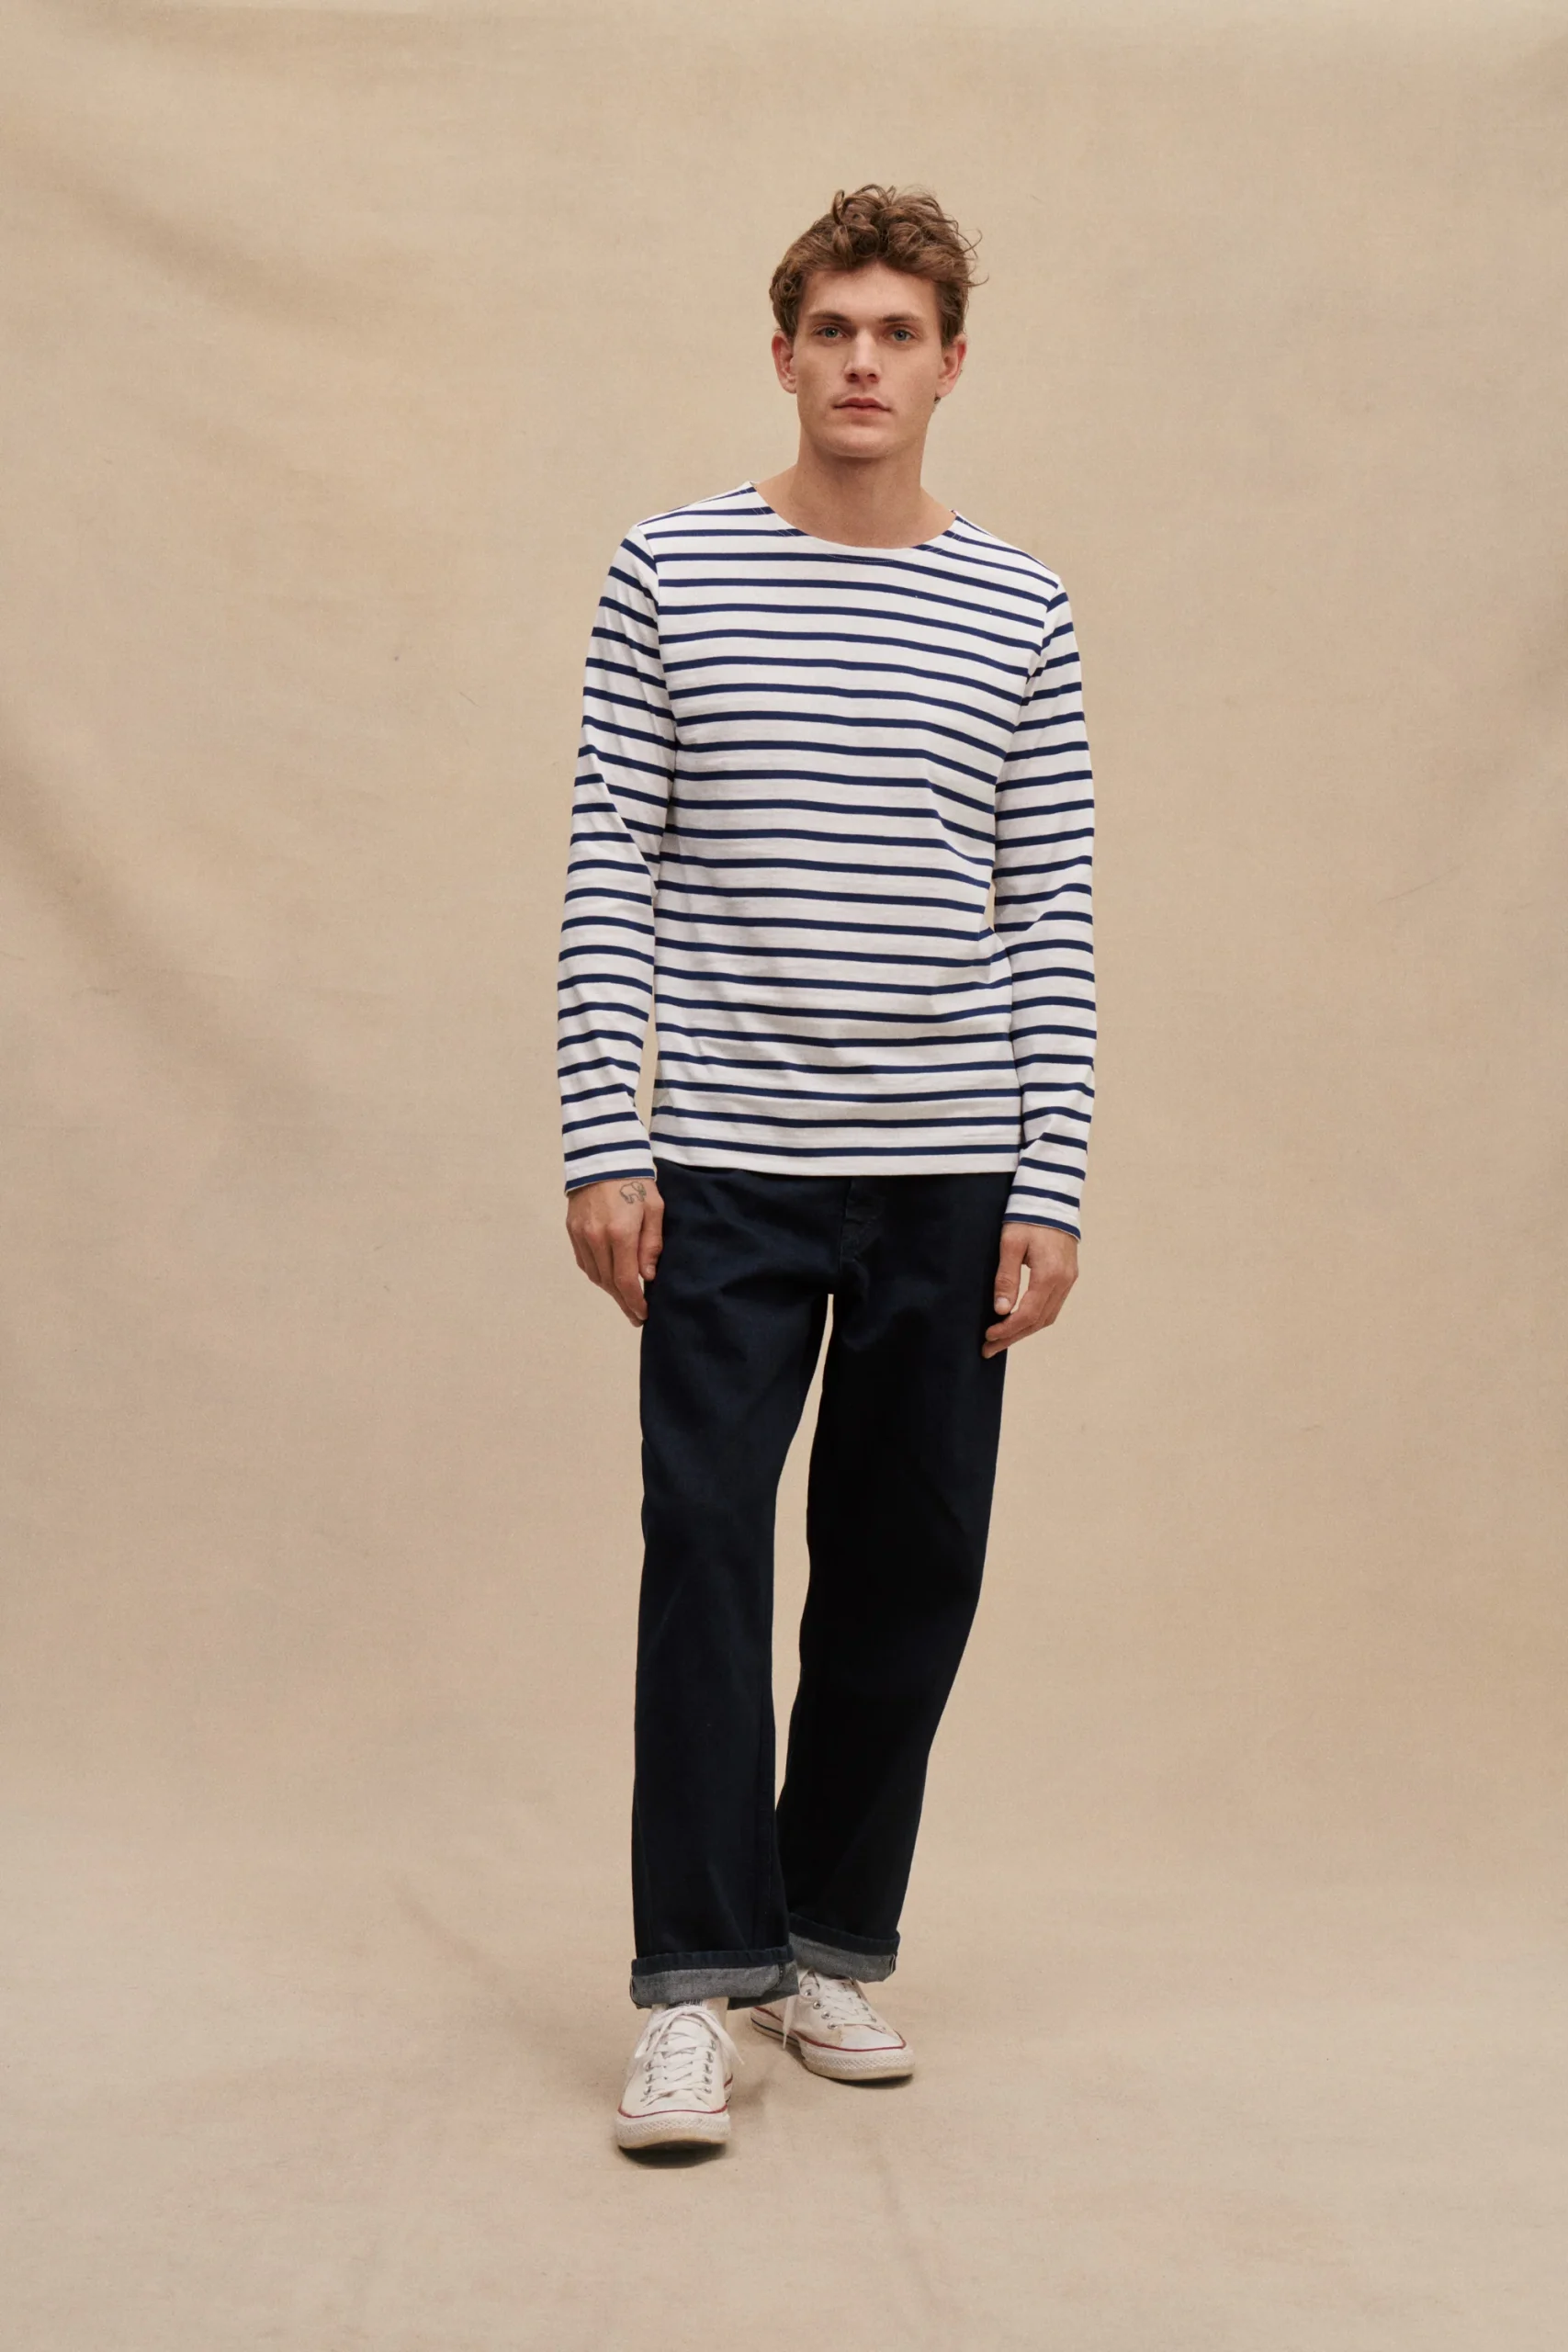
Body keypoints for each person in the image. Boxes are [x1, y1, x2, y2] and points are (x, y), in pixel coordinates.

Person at [555, 185, 1096, 2154]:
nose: (863, 361)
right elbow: (610, 860)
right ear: (782, 353)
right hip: (724, 1162)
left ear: (950, 364)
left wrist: (1051, 1181)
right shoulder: (669, 570)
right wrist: (602, 1134)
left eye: (899, 332)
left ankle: (823, 1939)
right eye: (834, 329)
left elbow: (1050, 907)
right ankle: (691, 1984)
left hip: (951, 1166)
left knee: (906, 1562)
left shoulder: (1019, 606)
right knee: (704, 1545)